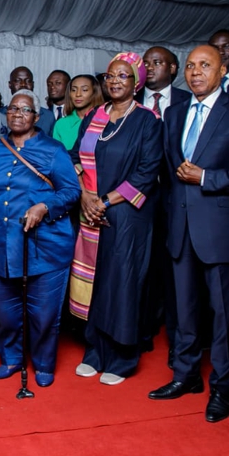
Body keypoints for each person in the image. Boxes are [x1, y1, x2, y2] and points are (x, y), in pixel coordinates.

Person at [147, 46, 229, 423]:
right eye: (191, 66)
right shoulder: (175, 113)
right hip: (179, 229)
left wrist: (208, 178)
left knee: (223, 315)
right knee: (184, 311)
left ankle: (223, 389)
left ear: (223, 70)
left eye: (205, 66)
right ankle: (186, 376)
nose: (195, 73)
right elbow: (167, 169)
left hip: (221, 232)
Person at [69, 52, 162, 386]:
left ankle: (122, 358)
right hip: (91, 209)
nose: (115, 81)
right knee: (96, 282)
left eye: (124, 76)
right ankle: (94, 351)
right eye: (110, 75)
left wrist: (105, 201)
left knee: (121, 285)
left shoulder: (147, 121)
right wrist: (85, 196)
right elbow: (75, 158)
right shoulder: (94, 115)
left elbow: (147, 172)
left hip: (127, 215)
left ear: (136, 84)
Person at [0, 89, 80, 387]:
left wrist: (45, 206)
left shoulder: (53, 149)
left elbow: (71, 192)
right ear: (5, 113)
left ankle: (44, 363)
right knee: (6, 313)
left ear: (36, 117)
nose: (18, 114)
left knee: (43, 313)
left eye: (25, 110)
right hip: (1, 243)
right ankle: (12, 359)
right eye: (13, 109)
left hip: (45, 246)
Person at [136, 46, 191, 119]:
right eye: (145, 64)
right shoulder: (131, 99)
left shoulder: (188, 99)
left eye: (157, 63)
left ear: (172, 68)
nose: (149, 68)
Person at [52, 74, 104, 150]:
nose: (78, 94)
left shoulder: (105, 121)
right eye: (73, 90)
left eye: (84, 90)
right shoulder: (61, 124)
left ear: (94, 92)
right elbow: (57, 156)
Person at [4, 66, 54, 136]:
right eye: (18, 81)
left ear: (33, 84)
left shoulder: (48, 116)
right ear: (10, 85)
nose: (23, 84)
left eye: (28, 81)